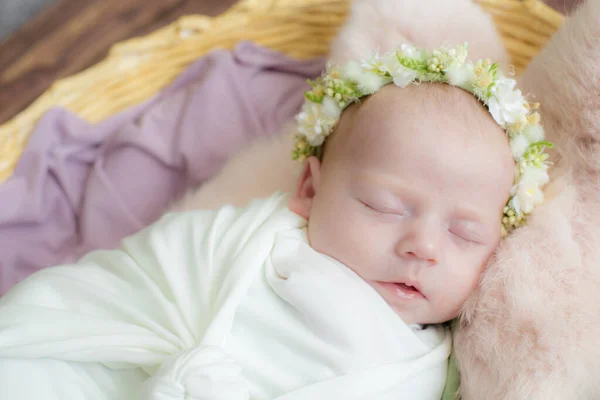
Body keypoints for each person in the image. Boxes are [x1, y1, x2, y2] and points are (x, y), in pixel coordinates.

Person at [0, 43, 551, 400]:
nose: (422, 246)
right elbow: (117, 292)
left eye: (465, 233)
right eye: (385, 206)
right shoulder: (237, 242)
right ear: (309, 190)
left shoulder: (450, 365)